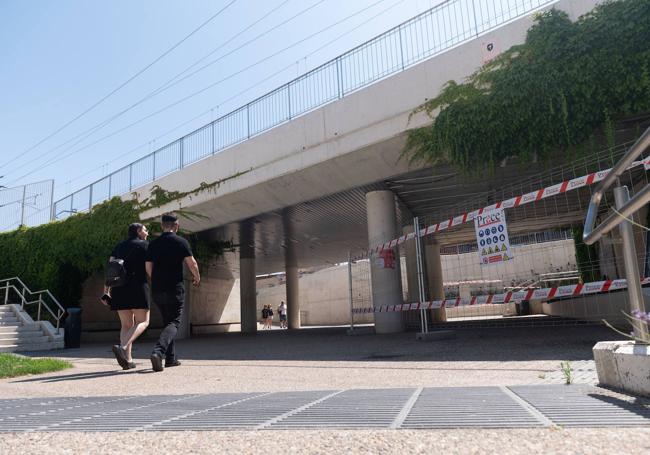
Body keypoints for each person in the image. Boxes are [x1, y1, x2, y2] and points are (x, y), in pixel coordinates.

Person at [145, 213, 200, 372]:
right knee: (174, 322)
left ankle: (170, 359)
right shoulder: (181, 242)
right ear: (177, 226)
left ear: (162, 226)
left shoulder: (153, 243)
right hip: (174, 289)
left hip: (157, 289)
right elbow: (192, 263)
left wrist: (155, 278)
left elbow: (148, 266)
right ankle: (158, 352)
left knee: (167, 322)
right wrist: (196, 277)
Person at [102, 223, 150, 370]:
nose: (147, 232)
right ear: (138, 231)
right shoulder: (146, 246)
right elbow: (149, 268)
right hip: (138, 287)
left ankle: (128, 360)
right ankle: (122, 347)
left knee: (126, 325)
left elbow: (111, 270)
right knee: (144, 321)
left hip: (119, 289)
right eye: (145, 229)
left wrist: (106, 291)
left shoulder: (119, 247)